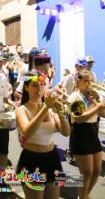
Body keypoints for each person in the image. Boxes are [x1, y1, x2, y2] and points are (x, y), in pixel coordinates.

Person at [16, 71, 70, 199]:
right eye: (35, 85)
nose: (39, 88)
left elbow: (66, 132)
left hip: (53, 158)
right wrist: (45, 107)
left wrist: (60, 113)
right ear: (26, 87)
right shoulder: (21, 110)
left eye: (42, 84)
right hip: (32, 160)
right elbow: (26, 132)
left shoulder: (51, 109)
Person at [67, 69, 105, 199]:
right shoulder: (74, 97)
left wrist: (96, 101)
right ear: (78, 82)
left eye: (90, 80)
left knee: (96, 171)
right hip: (80, 133)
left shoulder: (92, 95)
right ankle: (83, 196)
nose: (89, 83)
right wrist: (96, 106)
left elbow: (103, 114)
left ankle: (84, 195)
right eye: (85, 81)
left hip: (93, 131)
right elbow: (79, 118)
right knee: (86, 173)